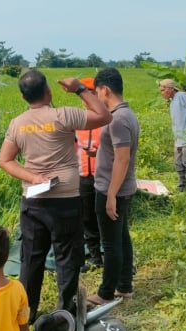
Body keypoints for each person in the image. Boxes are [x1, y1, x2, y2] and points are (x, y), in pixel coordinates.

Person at [0, 69, 112, 323]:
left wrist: (32, 177)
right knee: (67, 258)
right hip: (66, 199)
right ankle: (65, 316)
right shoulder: (63, 115)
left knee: (31, 259)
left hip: (33, 201)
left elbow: (4, 160)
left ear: (22, 96)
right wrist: (80, 89)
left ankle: (25, 317)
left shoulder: (17, 123)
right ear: (48, 92)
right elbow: (103, 116)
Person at [85, 68, 140, 308]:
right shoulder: (126, 114)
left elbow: (123, 159)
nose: (96, 96)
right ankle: (124, 286)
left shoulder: (117, 119)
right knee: (122, 238)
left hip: (112, 188)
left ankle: (106, 293)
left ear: (104, 90)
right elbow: (118, 152)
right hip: (120, 187)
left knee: (110, 243)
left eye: (96, 91)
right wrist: (100, 152)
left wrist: (110, 196)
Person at [75, 77, 104, 271]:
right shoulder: (78, 119)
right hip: (83, 174)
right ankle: (95, 257)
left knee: (106, 216)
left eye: (92, 93)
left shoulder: (109, 118)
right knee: (87, 218)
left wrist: (99, 152)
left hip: (104, 175)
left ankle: (108, 254)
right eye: (86, 94)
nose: (88, 97)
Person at [159, 78, 186, 191]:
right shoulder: (173, 100)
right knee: (179, 165)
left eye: (163, 90)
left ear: (170, 89)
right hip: (179, 139)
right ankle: (181, 188)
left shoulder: (181, 96)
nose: (162, 93)